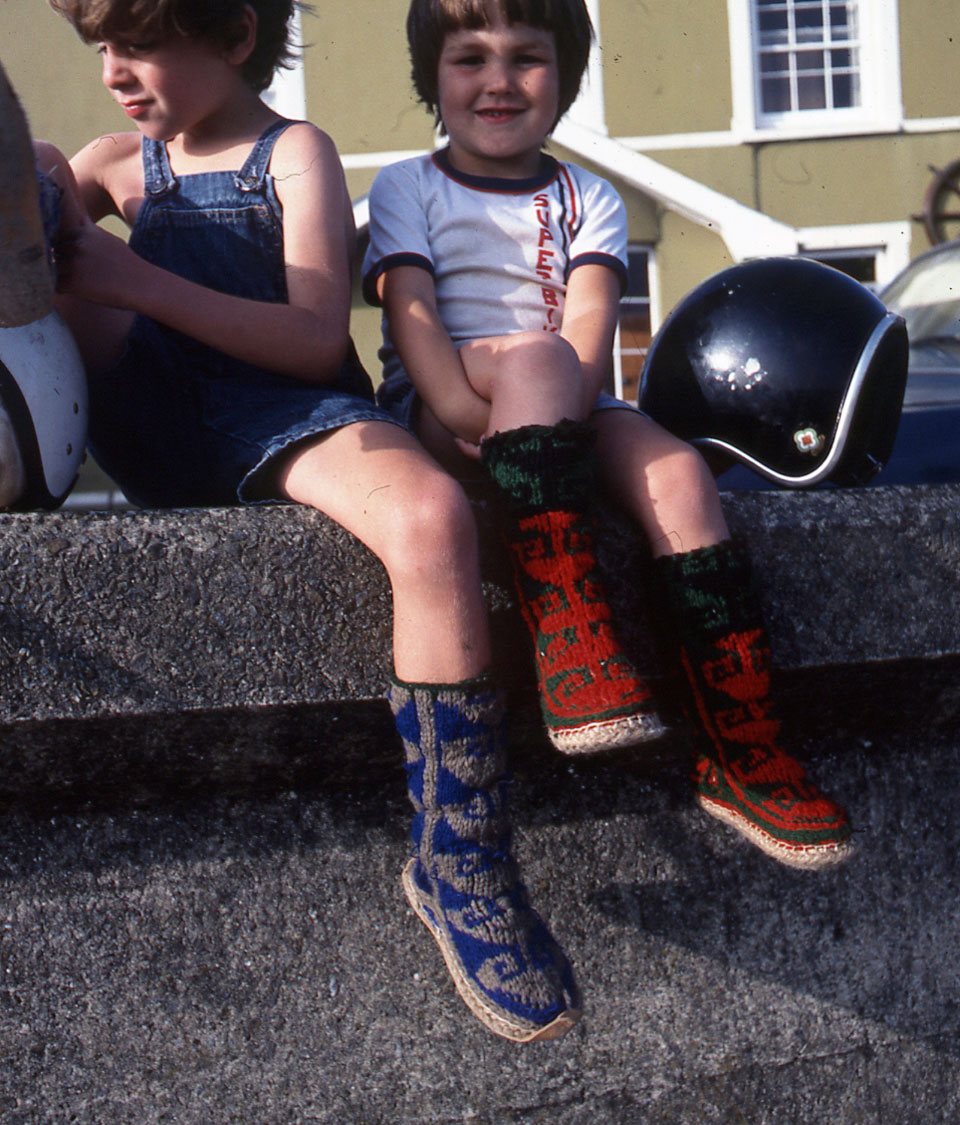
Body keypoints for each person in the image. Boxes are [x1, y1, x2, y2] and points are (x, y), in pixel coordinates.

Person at [30, 0, 581, 1042]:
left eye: (139, 45)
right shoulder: (112, 163)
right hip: (159, 415)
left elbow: (310, 332)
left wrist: (131, 276)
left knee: (428, 519)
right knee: (35, 179)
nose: (114, 71)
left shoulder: (294, 155)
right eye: (101, 48)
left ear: (233, 34)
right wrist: (61, 225)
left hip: (286, 408)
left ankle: (460, 852)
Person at [363, 0, 853, 872]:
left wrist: (541, 415)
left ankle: (739, 744)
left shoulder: (588, 196)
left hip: (565, 402)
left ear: (568, 74)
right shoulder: (408, 186)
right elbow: (415, 324)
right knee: (532, 360)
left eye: (526, 57)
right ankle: (568, 634)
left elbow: (590, 335)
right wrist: (487, 421)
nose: (498, 81)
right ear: (431, 76)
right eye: (469, 58)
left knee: (678, 477)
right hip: (444, 400)